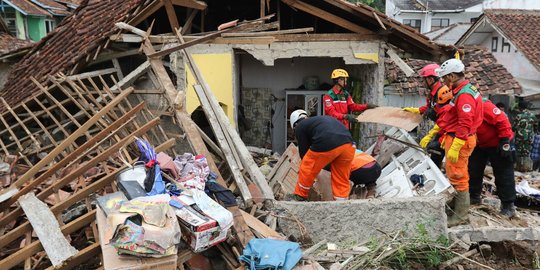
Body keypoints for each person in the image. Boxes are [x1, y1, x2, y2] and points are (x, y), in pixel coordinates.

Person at [435, 58, 484, 226]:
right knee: (455, 173)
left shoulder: (464, 95)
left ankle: (460, 216)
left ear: (453, 76)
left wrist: (456, 145)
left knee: (458, 176)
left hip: (461, 139)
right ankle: (456, 209)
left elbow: (465, 122)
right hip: (458, 137)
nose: (444, 81)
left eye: (445, 78)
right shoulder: (464, 90)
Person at [286, 110, 356, 201]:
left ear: (295, 125)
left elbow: (304, 155)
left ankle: (300, 195)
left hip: (328, 141)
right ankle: (341, 202)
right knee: (341, 176)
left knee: (307, 164)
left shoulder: (300, 127)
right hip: (349, 144)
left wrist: (311, 169)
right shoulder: (317, 122)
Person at [468, 99, 516, 217]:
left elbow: (502, 120)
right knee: (473, 170)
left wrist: (505, 141)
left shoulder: (484, 105)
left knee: (503, 173)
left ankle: (508, 205)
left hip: (498, 142)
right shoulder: (461, 106)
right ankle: (474, 196)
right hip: (479, 143)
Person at [405, 63, 453, 168]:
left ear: (431, 80)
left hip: (448, 129)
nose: (422, 82)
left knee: (436, 152)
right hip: (442, 127)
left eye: (424, 80)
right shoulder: (432, 94)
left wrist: (430, 135)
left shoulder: (443, 93)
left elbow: (445, 118)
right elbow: (429, 108)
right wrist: (415, 110)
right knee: (434, 153)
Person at [513, 98, 537, 171]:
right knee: (527, 152)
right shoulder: (532, 115)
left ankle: (519, 168)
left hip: (519, 137)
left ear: (519, 107)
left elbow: (513, 128)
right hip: (529, 137)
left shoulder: (518, 116)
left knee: (519, 152)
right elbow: (536, 125)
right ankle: (527, 168)